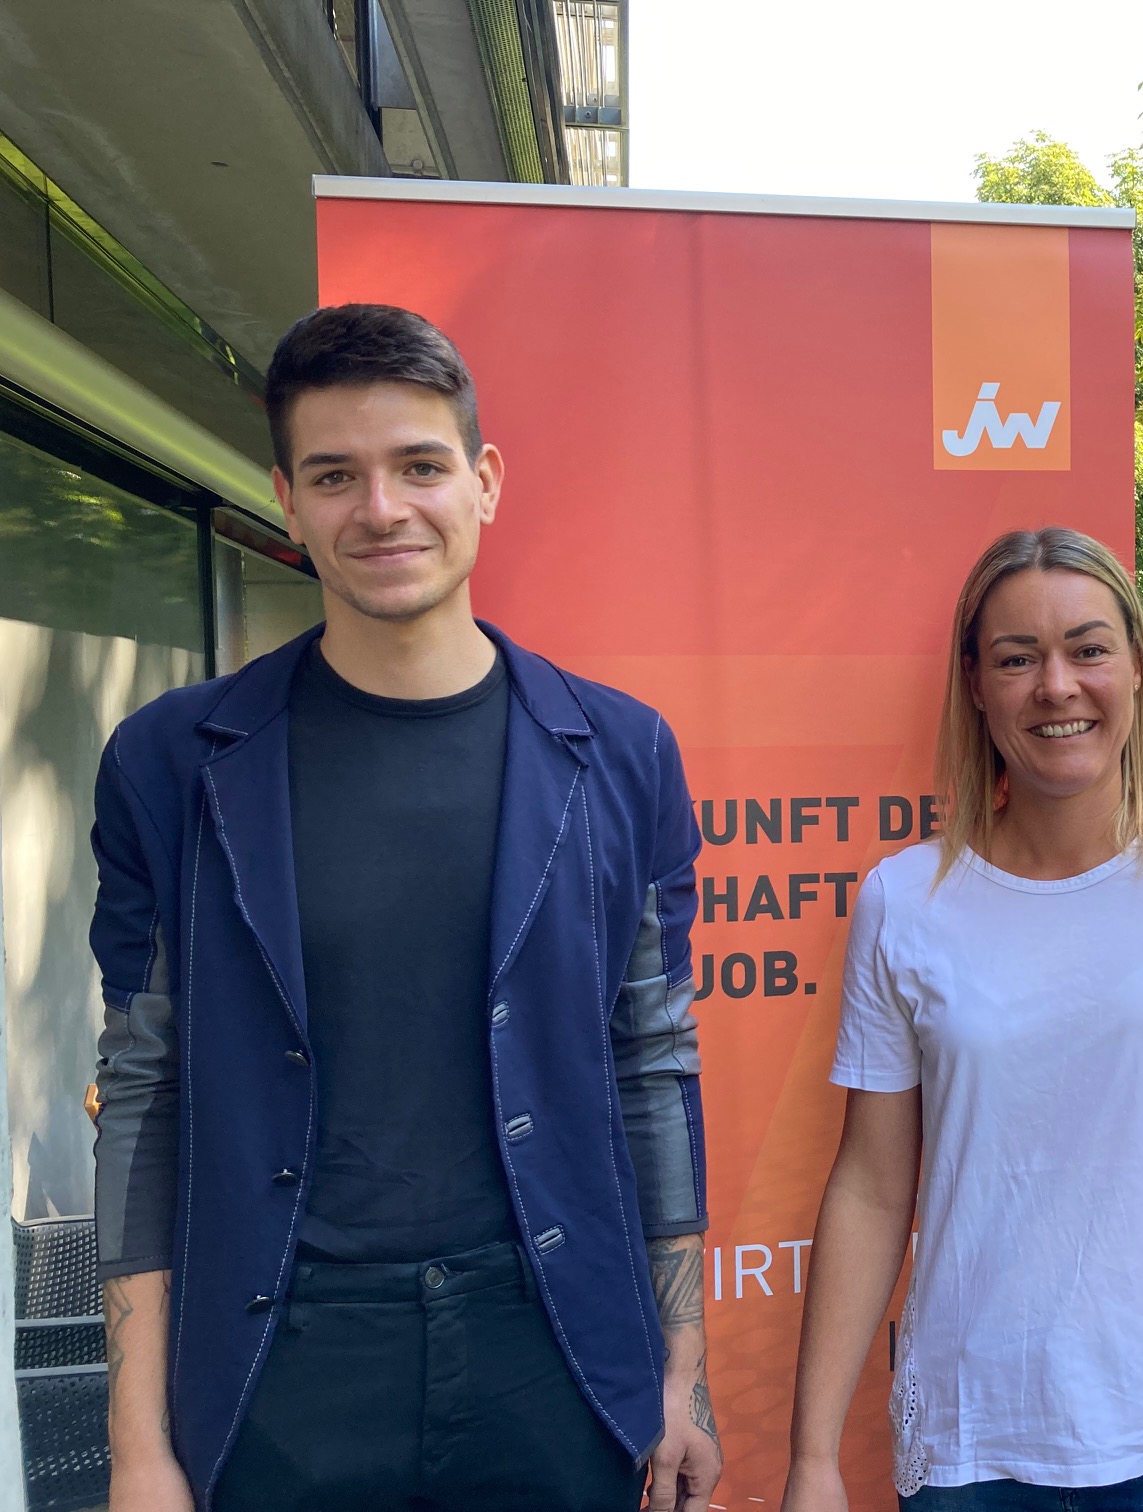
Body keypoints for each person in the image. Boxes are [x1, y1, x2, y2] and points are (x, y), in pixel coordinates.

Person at [89, 304, 722, 1512]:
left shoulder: (622, 753)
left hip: (552, 1357)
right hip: (281, 1366)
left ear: (482, 482)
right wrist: (137, 1446)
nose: (381, 509)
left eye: (419, 466)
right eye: (336, 475)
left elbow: (653, 1066)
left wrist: (682, 1377)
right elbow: (143, 1091)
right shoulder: (172, 764)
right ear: (286, 499)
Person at [780, 527, 1143, 1511]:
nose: (1056, 685)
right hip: (976, 1450)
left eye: (1088, 648)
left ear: (1138, 667)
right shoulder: (906, 900)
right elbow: (872, 1186)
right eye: (1018, 658)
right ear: (976, 684)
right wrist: (811, 1460)